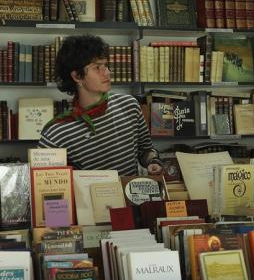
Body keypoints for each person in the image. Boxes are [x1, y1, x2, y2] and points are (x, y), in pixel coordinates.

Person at [39, 35, 162, 175]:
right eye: (97, 67)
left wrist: (153, 161)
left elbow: (145, 150)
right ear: (77, 77)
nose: (108, 72)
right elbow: (46, 183)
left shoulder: (129, 105)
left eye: (106, 65)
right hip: (89, 197)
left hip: (130, 195)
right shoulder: (56, 133)